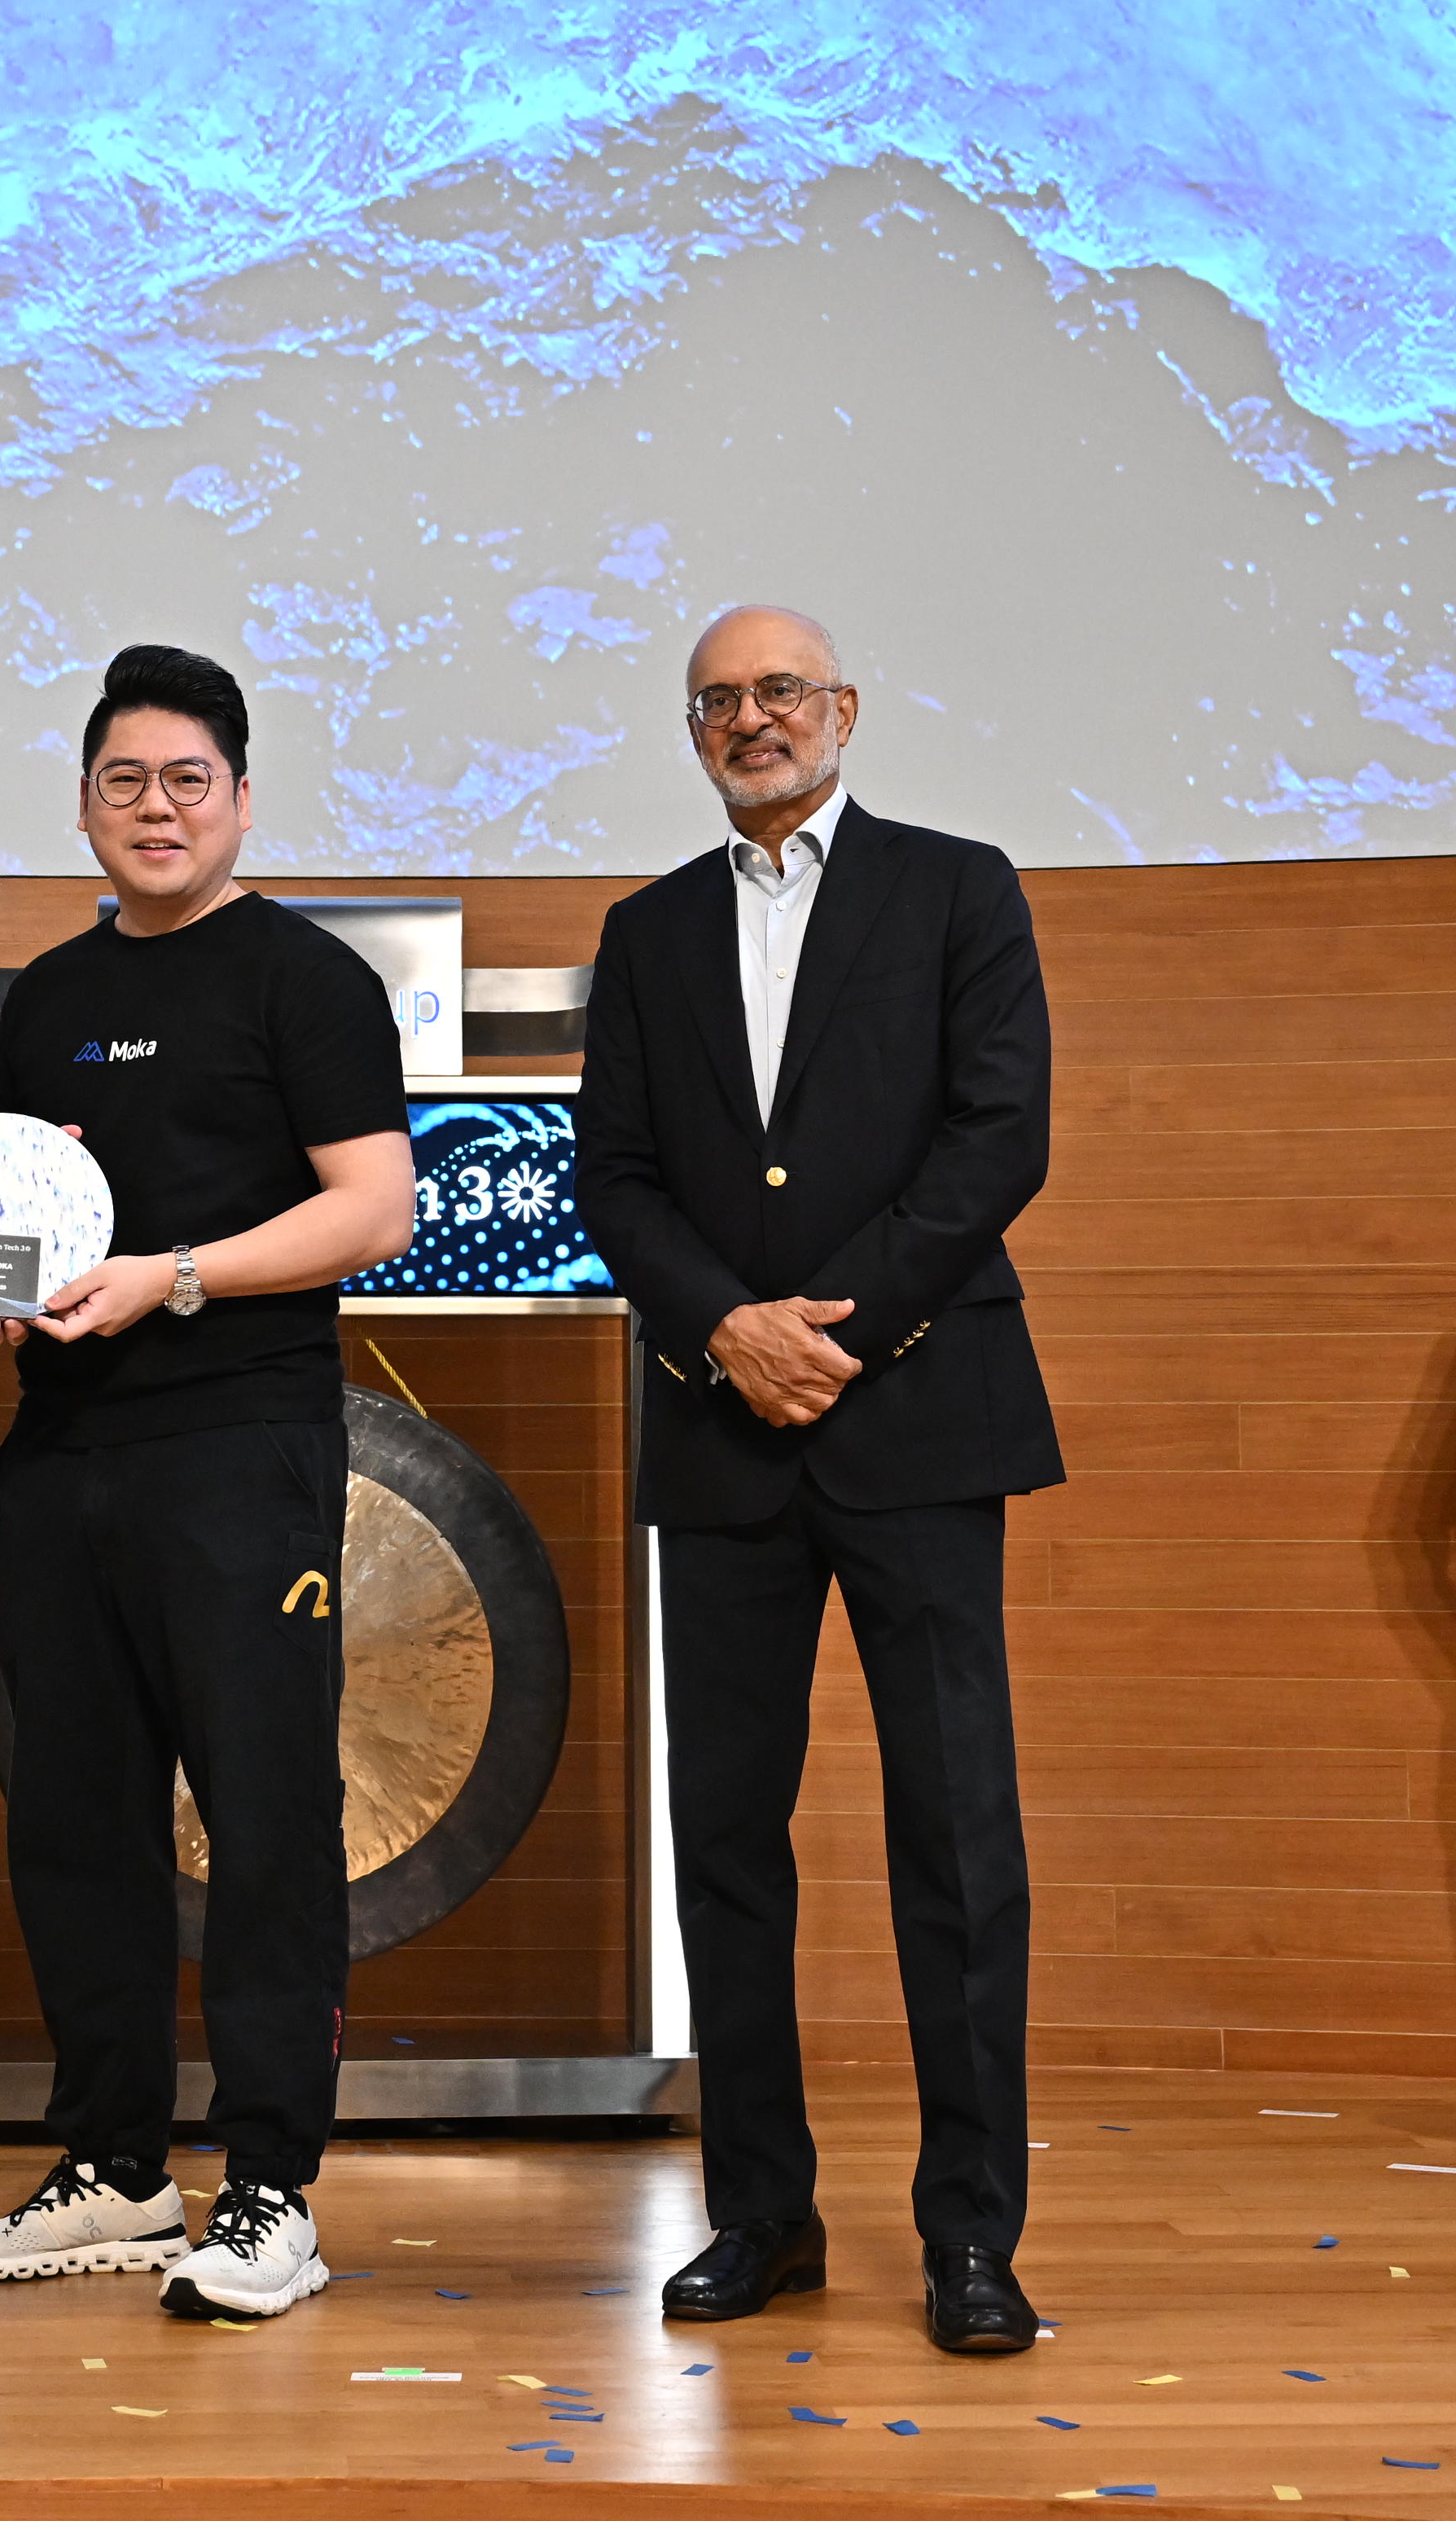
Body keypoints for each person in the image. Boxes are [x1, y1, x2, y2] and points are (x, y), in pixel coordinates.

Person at [573, 605, 1059, 2356]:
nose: (752, 719)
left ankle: (972, 2237)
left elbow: (1002, 1136)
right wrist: (727, 1330)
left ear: (844, 709)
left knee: (959, 1840)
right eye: (719, 700)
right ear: (693, 732)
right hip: (723, 1435)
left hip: (918, 1420)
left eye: (781, 691)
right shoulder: (645, 931)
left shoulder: (960, 888)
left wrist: (829, 1333)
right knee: (726, 1842)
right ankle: (760, 2214)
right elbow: (614, 1176)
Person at [0, 644, 413, 2326]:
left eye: (187, 780)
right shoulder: (51, 996)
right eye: (124, 781)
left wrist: (177, 1276)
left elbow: (373, 1208)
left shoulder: (306, 979)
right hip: (64, 1454)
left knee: (265, 1818)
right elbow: (6, 1215)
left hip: (239, 1449)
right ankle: (117, 2164)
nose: (156, 808)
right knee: (73, 1819)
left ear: (242, 801)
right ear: (83, 806)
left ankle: (272, 2189)